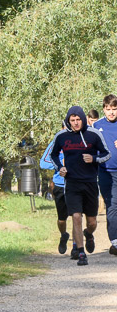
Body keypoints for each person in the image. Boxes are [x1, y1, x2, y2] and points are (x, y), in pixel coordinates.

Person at [50, 106, 110, 265]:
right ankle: (81, 252)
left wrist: (94, 159)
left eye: (78, 120)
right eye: (72, 120)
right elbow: (53, 155)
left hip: (90, 182)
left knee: (92, 222)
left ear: (83, 119)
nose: (76, 123)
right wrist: (59, 168)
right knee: (76, 216)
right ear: (68, 121)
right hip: (72, 183)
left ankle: (88, 234)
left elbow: (107, 154)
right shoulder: (62, 136)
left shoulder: (93, 134)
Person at [93, 95, 117, 255]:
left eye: (114, 109)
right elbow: (91, 150)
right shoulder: (97, 126)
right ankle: (115, 241)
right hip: (105, 172)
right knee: (112, 206)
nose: (111, 113)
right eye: (108, 110)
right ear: (103, 109)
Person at [40, 137, 70, 255]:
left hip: (78, 183)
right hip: (60, 184)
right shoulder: (57, 142)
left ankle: (77, 248)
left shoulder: (84, 139)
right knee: (62, 219)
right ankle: (63, 235)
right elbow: (43, 163)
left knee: (77, 215)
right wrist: (60, 165)